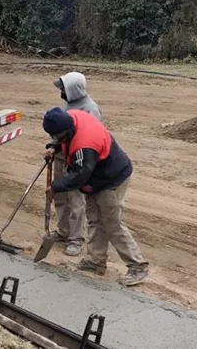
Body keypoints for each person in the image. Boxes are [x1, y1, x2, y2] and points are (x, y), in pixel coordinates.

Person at [43, 107, 149, 286]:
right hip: (97, 176)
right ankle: (95, 261)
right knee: (94, 219)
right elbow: (66, 144)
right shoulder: (73, 117)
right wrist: (54, 146)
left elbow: (79, 177)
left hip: (112, 179)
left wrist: (55, 186)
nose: (58, 140)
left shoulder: (84, 145)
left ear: (67, 131)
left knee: (111, 223)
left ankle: (137, 266)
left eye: (59, 137)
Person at [48, 72, 102, 256]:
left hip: (77, 161)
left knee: (76, 200)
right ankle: (63, 231)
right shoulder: (68, 105)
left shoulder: (91, 109)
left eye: (63, 88)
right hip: (61, 157)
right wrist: (53, 146)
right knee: (60, 197)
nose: (61, 92)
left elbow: (90, 140)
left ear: (72, 88)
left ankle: (76, 239)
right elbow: (60, 131)